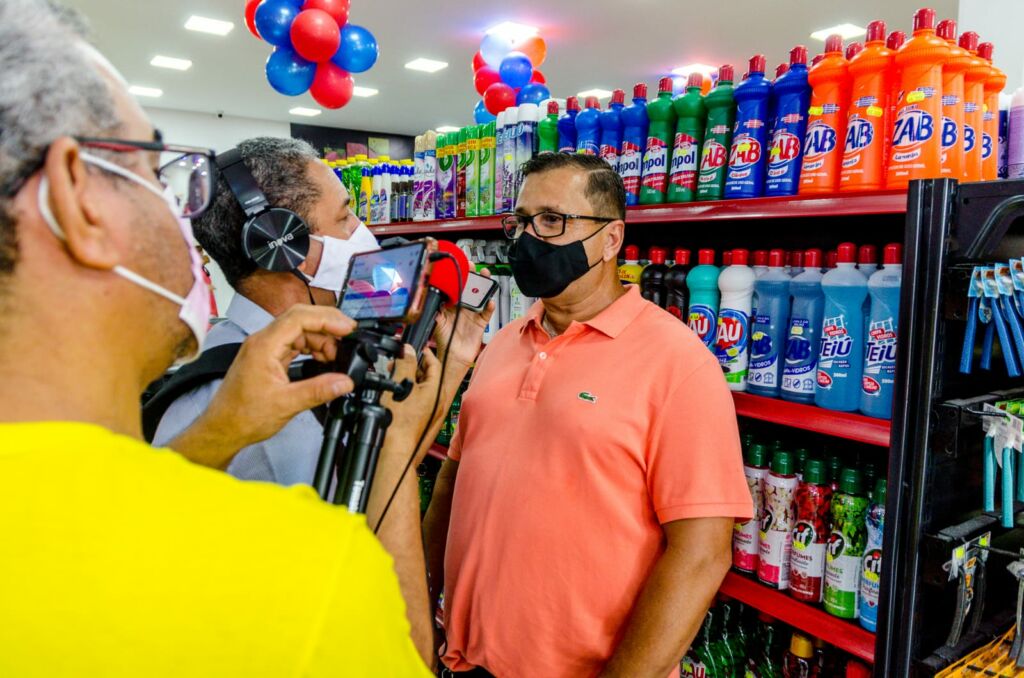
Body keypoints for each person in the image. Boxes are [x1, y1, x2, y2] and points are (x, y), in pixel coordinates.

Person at [0, 2, 479, 674]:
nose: (183, 212)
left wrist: (218, 435)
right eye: (160, 173)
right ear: (77, 197)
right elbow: (405, 655)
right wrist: (398, 439)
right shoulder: (306, 571)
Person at [423, 153, 753, 678]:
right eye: (520, 221)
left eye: (553, 220)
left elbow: (701, 555)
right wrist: (420, 615)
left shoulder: (679, 363)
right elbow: (453, 482)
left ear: (611, 239)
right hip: (463, 661)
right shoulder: (501, 344)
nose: (528, 238)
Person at [151, 137, 486, 484]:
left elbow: (378, 478)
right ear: (281, 245)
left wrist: (454, 360)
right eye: (345, 217)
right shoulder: (213, 398)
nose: (362, 232)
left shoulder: (330, 345)